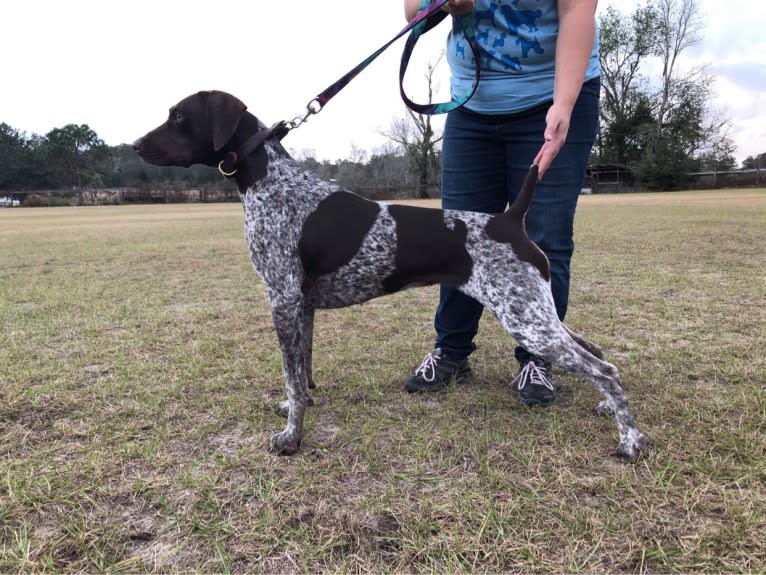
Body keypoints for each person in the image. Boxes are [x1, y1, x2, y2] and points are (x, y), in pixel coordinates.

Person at [402, 0, 601, 405]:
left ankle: (538, 355)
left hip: (552, 94)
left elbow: (577, 11)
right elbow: (413, 11)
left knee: (546, 239)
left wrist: (563, 105)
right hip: (471, 105)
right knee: (457, 237)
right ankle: (452, 351)